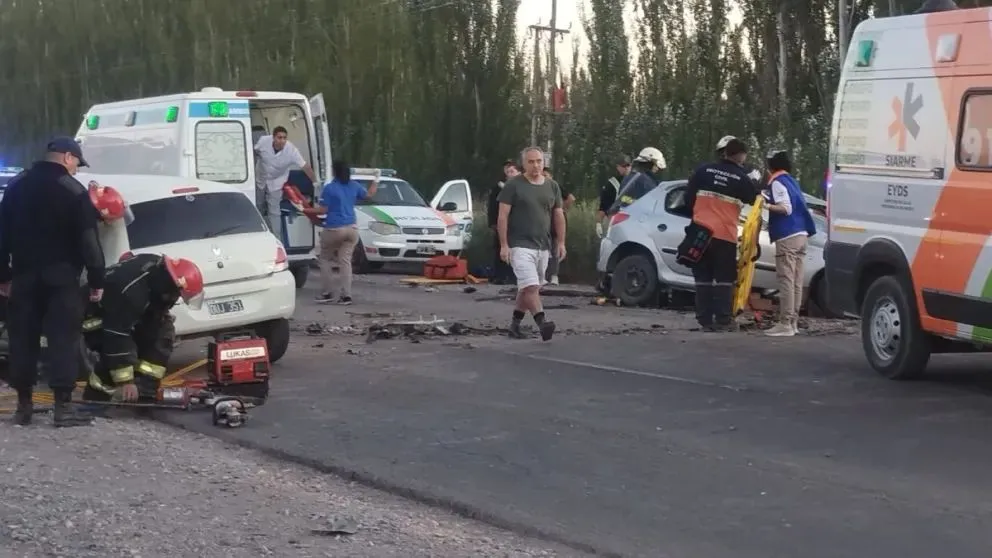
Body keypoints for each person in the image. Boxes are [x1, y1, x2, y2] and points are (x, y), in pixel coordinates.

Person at [0, 137, 105, 426]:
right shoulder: (73, 191)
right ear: (67, 157)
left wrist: (3, 275)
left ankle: (24, 407)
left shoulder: (16, 186)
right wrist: (97, 279)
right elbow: (89, 241)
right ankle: (63, 408)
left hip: (23, 276)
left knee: (22, 339)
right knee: (63, 339)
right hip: (61, 278)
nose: (76, 169)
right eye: (76, 163)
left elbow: (1, 235)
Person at [82, 254, 204, 403]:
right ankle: (96, 398)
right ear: (170, 285)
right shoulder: (133, 293)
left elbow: (153, 305)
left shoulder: (156, 276)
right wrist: (126, 381)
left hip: (119, 315)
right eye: (176, 294)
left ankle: (145, 391)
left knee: (163, 333)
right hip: (94, 318)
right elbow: (116, 335)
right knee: (117, 352)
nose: (175, 299)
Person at [683, 137, 757, 332]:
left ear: (724, 152)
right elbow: (754, 199)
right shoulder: (741, 178)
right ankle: (723, 319)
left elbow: (687, 199)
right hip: (724, 234)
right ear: (741, 155)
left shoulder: (703, 171)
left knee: (703, 277)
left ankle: (704, 319)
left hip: (700, 232)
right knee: (724, 278)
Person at [497, 147, 564, 341]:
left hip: (542, 245)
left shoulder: (552, 186)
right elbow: (503, 216)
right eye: (531, 162)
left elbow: (558, 215)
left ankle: (515, 325)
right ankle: (542, 323)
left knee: (527, 288)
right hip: (519, 244)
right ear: (524, 164)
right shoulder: (513, 185)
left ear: (544, 162)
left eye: (539, 161)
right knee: (531, 286)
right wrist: (504, 245)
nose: (536, 165)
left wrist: (561, 242)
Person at [304, 161, 379, 305]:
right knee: (345, 261)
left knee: (325, 259)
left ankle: (327, 293)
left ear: (334, 172)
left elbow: (323, 210)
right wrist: (376, 180)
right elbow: (369, 195)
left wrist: (305, 210)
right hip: (352, 229)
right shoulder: (354, 185)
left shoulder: (330, 188)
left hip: (334, 228)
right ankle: (346, 296)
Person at [762, 150, 818, 337]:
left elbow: (785, 208)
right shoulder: (792, 181)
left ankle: (785, 323)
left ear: (771, 166)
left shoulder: (777, 182)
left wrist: (766, 205)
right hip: (801, 234)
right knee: (796, 281)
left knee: (786, 280)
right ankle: (793, 322)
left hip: (787, 235)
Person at [254, 126, 317, 242]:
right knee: (257, 205)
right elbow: (253, 152)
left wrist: (315, 182)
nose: (282, 140)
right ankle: (258, 236)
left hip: (277, 181)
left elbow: (305, 167)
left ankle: (277, 240)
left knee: (274, 211)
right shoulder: (263, 141)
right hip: (260, 178)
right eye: (279, 137)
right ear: (273, 137)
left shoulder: (291, 150)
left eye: (284, 138)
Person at [607, 147, 667, 216]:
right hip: (637, 217)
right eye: (656, 165)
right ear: (650, 163)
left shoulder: (631, 176)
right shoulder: (645, 180)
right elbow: (654, 203)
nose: (657, 168)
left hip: (624, 215)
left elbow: (625, 198)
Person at [542, 167, 574, 286]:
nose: (544, 178)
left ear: (551, 176)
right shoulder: (538, 187)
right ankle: (543, 275)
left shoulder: (556, 187)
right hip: (543, 220)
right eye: (542, 175)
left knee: (555, 248)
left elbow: (571, 198)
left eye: (546, 175)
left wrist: (561, 208)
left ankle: (554, 275)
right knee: (543, 248)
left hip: (555, 220)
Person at [488, 160, 519, 285]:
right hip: (501, 222)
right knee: (499, 248)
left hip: (517, 224)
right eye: (508, 171)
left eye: (512, 171)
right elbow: (492, 206)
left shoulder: (523, 187)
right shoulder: (498, 188)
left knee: (516, 250)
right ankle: (499, 275)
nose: (509, 173)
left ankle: (514, 276)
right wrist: (492, 222)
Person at [596, 155, 632, 237]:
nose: (627, 168)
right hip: (616, 224)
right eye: (624, 166)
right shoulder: (611, 185)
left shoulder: (637, 181)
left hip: (633, 223)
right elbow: (603, 207)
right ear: (618, 167)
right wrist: (598, 224)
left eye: (628, 165)